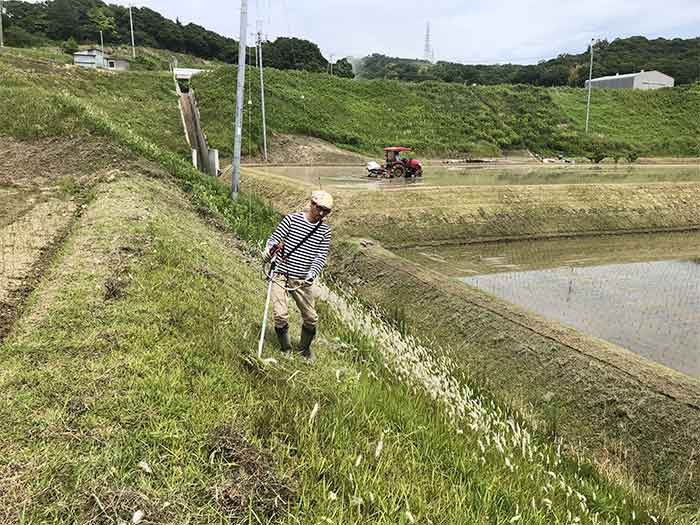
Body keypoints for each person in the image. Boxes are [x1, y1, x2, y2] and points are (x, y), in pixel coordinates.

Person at [264, 190, 333, 359]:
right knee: (280, 314)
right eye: (320, 209)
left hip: (302, 279)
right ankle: (285, 349)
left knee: (311, 317)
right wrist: (269, 252)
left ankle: (304, 349)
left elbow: (320, 256)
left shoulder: (325, 231)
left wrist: (312, 274)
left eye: (327, 211)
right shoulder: (291, 220)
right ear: (312, 204)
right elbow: (273, 240)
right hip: (281, 272)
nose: (322, 213)